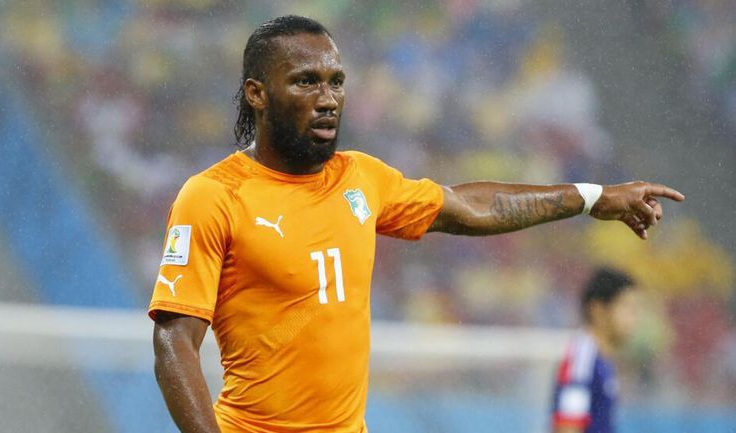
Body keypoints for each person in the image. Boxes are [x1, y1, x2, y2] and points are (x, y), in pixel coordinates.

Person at [148, 15, 684, 433]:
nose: (328, 99)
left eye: (336, 82)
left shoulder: (361, 178)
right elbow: (174, 344)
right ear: (257, 93)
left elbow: (470, 207)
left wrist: (592, 197)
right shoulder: (213, 196)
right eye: (306, 82)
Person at [550, 268, 638, 433]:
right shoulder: (582, 359)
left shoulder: (601, 360)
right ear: (598, 309)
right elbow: (567, 427)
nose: (634, 318)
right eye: (627, 307)